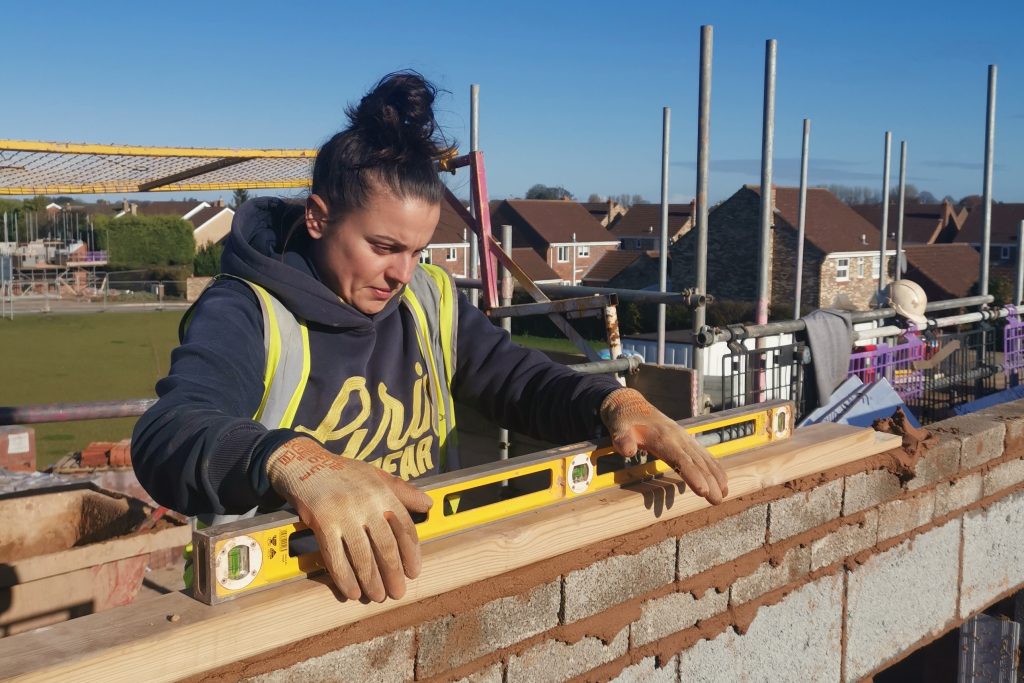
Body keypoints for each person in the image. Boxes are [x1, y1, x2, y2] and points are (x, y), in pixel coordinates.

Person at [132, 71, 727, 604]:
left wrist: (612, 402)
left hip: (417, 582)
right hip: (286, 603)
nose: (401, 274)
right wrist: (291, 460)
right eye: (384, 247)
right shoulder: (247, 310)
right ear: (317, 218)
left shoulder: (428, 298)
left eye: (418, 250)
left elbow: (516, 379)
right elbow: (170, 431)